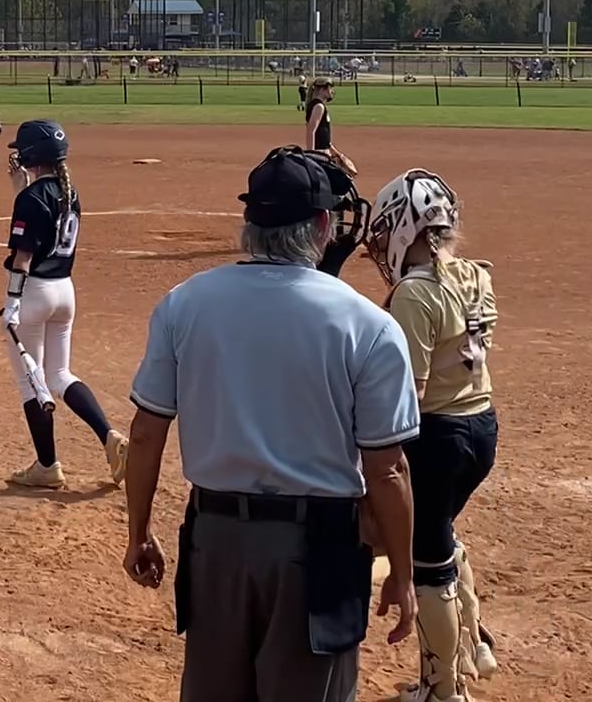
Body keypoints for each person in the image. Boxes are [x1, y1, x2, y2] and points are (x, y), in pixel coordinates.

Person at [123, 146, 420, 701]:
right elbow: (388, 469)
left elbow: (144, 433)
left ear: (249, 225)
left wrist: (138, 533)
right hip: (319, 550)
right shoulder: (369, 325)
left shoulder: (183, 304)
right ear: (323, 225)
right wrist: (402, 575)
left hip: (215, 542)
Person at [367, 170, 501, 702]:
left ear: (408, 227)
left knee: (427, 560)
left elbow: (411, 393)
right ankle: (473, 650)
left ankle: (443, 690)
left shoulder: (415, 292)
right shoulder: (475, 274)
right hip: (481, 424)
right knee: (439, 535)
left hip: (438, 436)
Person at [0, 120, 128, 490]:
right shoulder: (70, 193)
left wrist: (12, 303)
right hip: (64, 291)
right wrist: (23, 189)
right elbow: (43, 219)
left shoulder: (31, 198)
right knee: (59, 375)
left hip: (34, 293)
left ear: (30, 155)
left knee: (31, 382)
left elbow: (23, 257)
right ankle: (110, 436)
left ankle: (47, 466)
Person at [305, 78, 358, 179]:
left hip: (323, 152)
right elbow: (311, 131)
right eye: (329, 88)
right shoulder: (319, 106)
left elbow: (324, 136)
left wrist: (337, 154)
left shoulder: (319, 105)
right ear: (322, 90)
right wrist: (311, 154)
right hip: (320, 153)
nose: (332, 91)